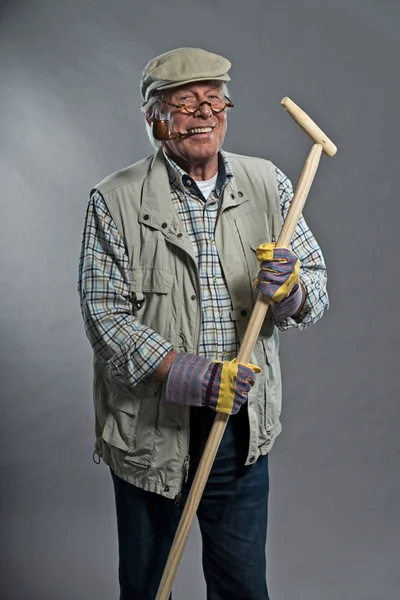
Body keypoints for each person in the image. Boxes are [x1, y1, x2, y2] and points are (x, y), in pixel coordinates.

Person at [78, 47, 329, 600]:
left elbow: (315, 291)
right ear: (152, 115)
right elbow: (105, 318)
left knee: (242, 588)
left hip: (238, 436)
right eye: (184, 102)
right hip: (151, 437)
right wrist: (195, 376)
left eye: (214, 100)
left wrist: (289, 290)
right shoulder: (113, 200)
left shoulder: (269, 185)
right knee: (147, 588)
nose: (203, 114)